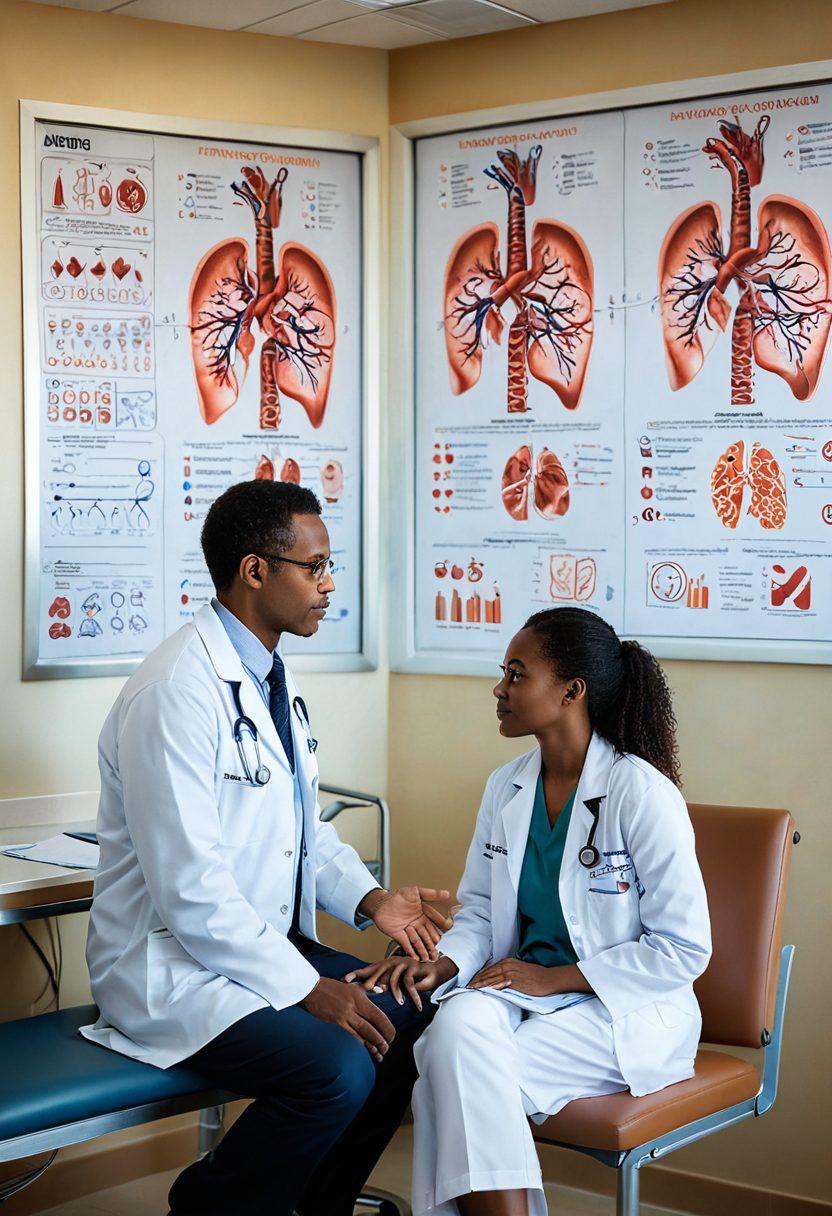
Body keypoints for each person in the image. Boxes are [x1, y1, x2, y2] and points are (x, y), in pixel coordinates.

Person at [82, 479, 450, 1216]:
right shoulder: (175, 693)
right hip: (173, 967)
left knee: (413, 1017)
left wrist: (372, 900)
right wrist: (312, 989)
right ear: (256, 571)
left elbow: (302, 826)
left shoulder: (265, 675)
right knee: (339, 1067)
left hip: (256, 947)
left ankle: (317, 1205)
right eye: (313, 567)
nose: (327, 584)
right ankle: (208, 1206)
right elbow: (192, 893)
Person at [348, 607, 712, 1216]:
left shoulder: (641, 794)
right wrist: (445, 963)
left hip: (618, 1008)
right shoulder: (507, 786)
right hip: (525, 996)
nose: (500, 689)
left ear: (571, 691)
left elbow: (684, 948)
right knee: (455, 1035)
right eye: (504, 673)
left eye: (517, 674)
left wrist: (557, 978)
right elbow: (484, 909)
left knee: (451, 1063)